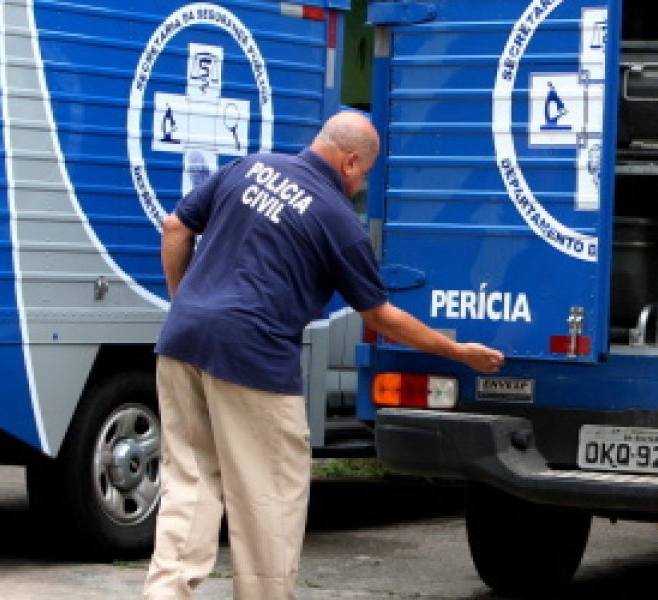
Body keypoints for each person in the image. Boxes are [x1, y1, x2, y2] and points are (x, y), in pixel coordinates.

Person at [143, 110, 505, 600]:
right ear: (351, 161)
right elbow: (380, 317)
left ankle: (165, 592)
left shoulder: (247, 167)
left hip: (183, 341)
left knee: (188, 483)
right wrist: (457, 351)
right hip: (255, 358)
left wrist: (186, 303)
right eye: (365, 175)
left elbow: (174, 227)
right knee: (268, 496)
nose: (360, 186)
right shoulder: (338, 221)